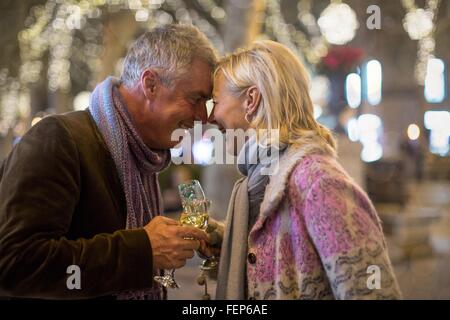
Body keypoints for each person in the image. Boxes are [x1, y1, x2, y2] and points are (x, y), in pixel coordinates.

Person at [0, 24, 217, 299]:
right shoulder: (58, 139)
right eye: (196, 98)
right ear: (150, 84)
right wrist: (141, 251)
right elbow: (15, 267)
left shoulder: (146, 155)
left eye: (207, 102)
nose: (203, 116)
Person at [207, 40, 402, 299]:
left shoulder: (319, 183)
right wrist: (225, 241)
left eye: (216, 102)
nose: (209, 118)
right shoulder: (259, 180)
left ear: (251, 100)